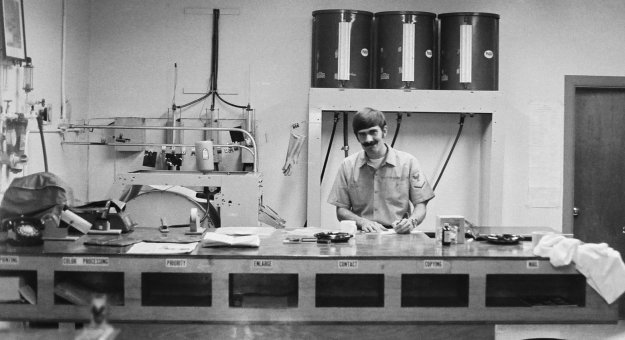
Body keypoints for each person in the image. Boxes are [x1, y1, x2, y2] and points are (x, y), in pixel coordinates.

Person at [327, 107, 435, 233]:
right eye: (362, 134)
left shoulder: (408, 162)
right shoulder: (347, 166)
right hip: (363, 235)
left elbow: (421, 205)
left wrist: (411, 222)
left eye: (373, 132)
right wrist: (362, 222)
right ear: (357, 137)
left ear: (384, 131)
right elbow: (341, 210)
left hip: (398, 235)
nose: (368, 139)